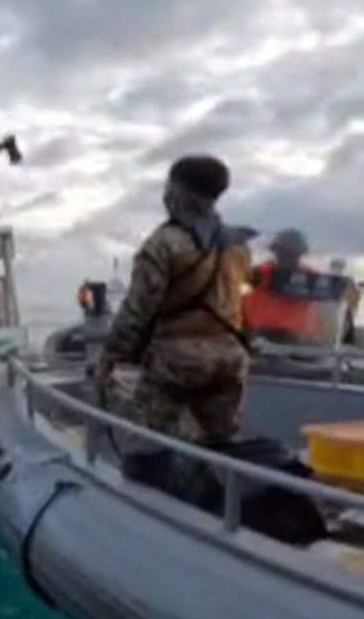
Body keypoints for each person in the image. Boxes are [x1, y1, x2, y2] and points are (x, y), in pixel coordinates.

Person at [95, 155, 252, 442]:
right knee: (223, 440)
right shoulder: (238, 244)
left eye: (168, 187)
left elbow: (137, 311)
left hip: (176, 360)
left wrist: (110, 358)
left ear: (178, 191)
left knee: (153, 441)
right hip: (230, 359)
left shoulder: (164, 243)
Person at [241, 229, 323, 343]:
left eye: (292, 253)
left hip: (298, 339)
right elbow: (240, 292)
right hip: (258, 336)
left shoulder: (312, 278)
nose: (287, 257)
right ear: (276, 252)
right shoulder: (261, 272)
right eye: (284, 252)